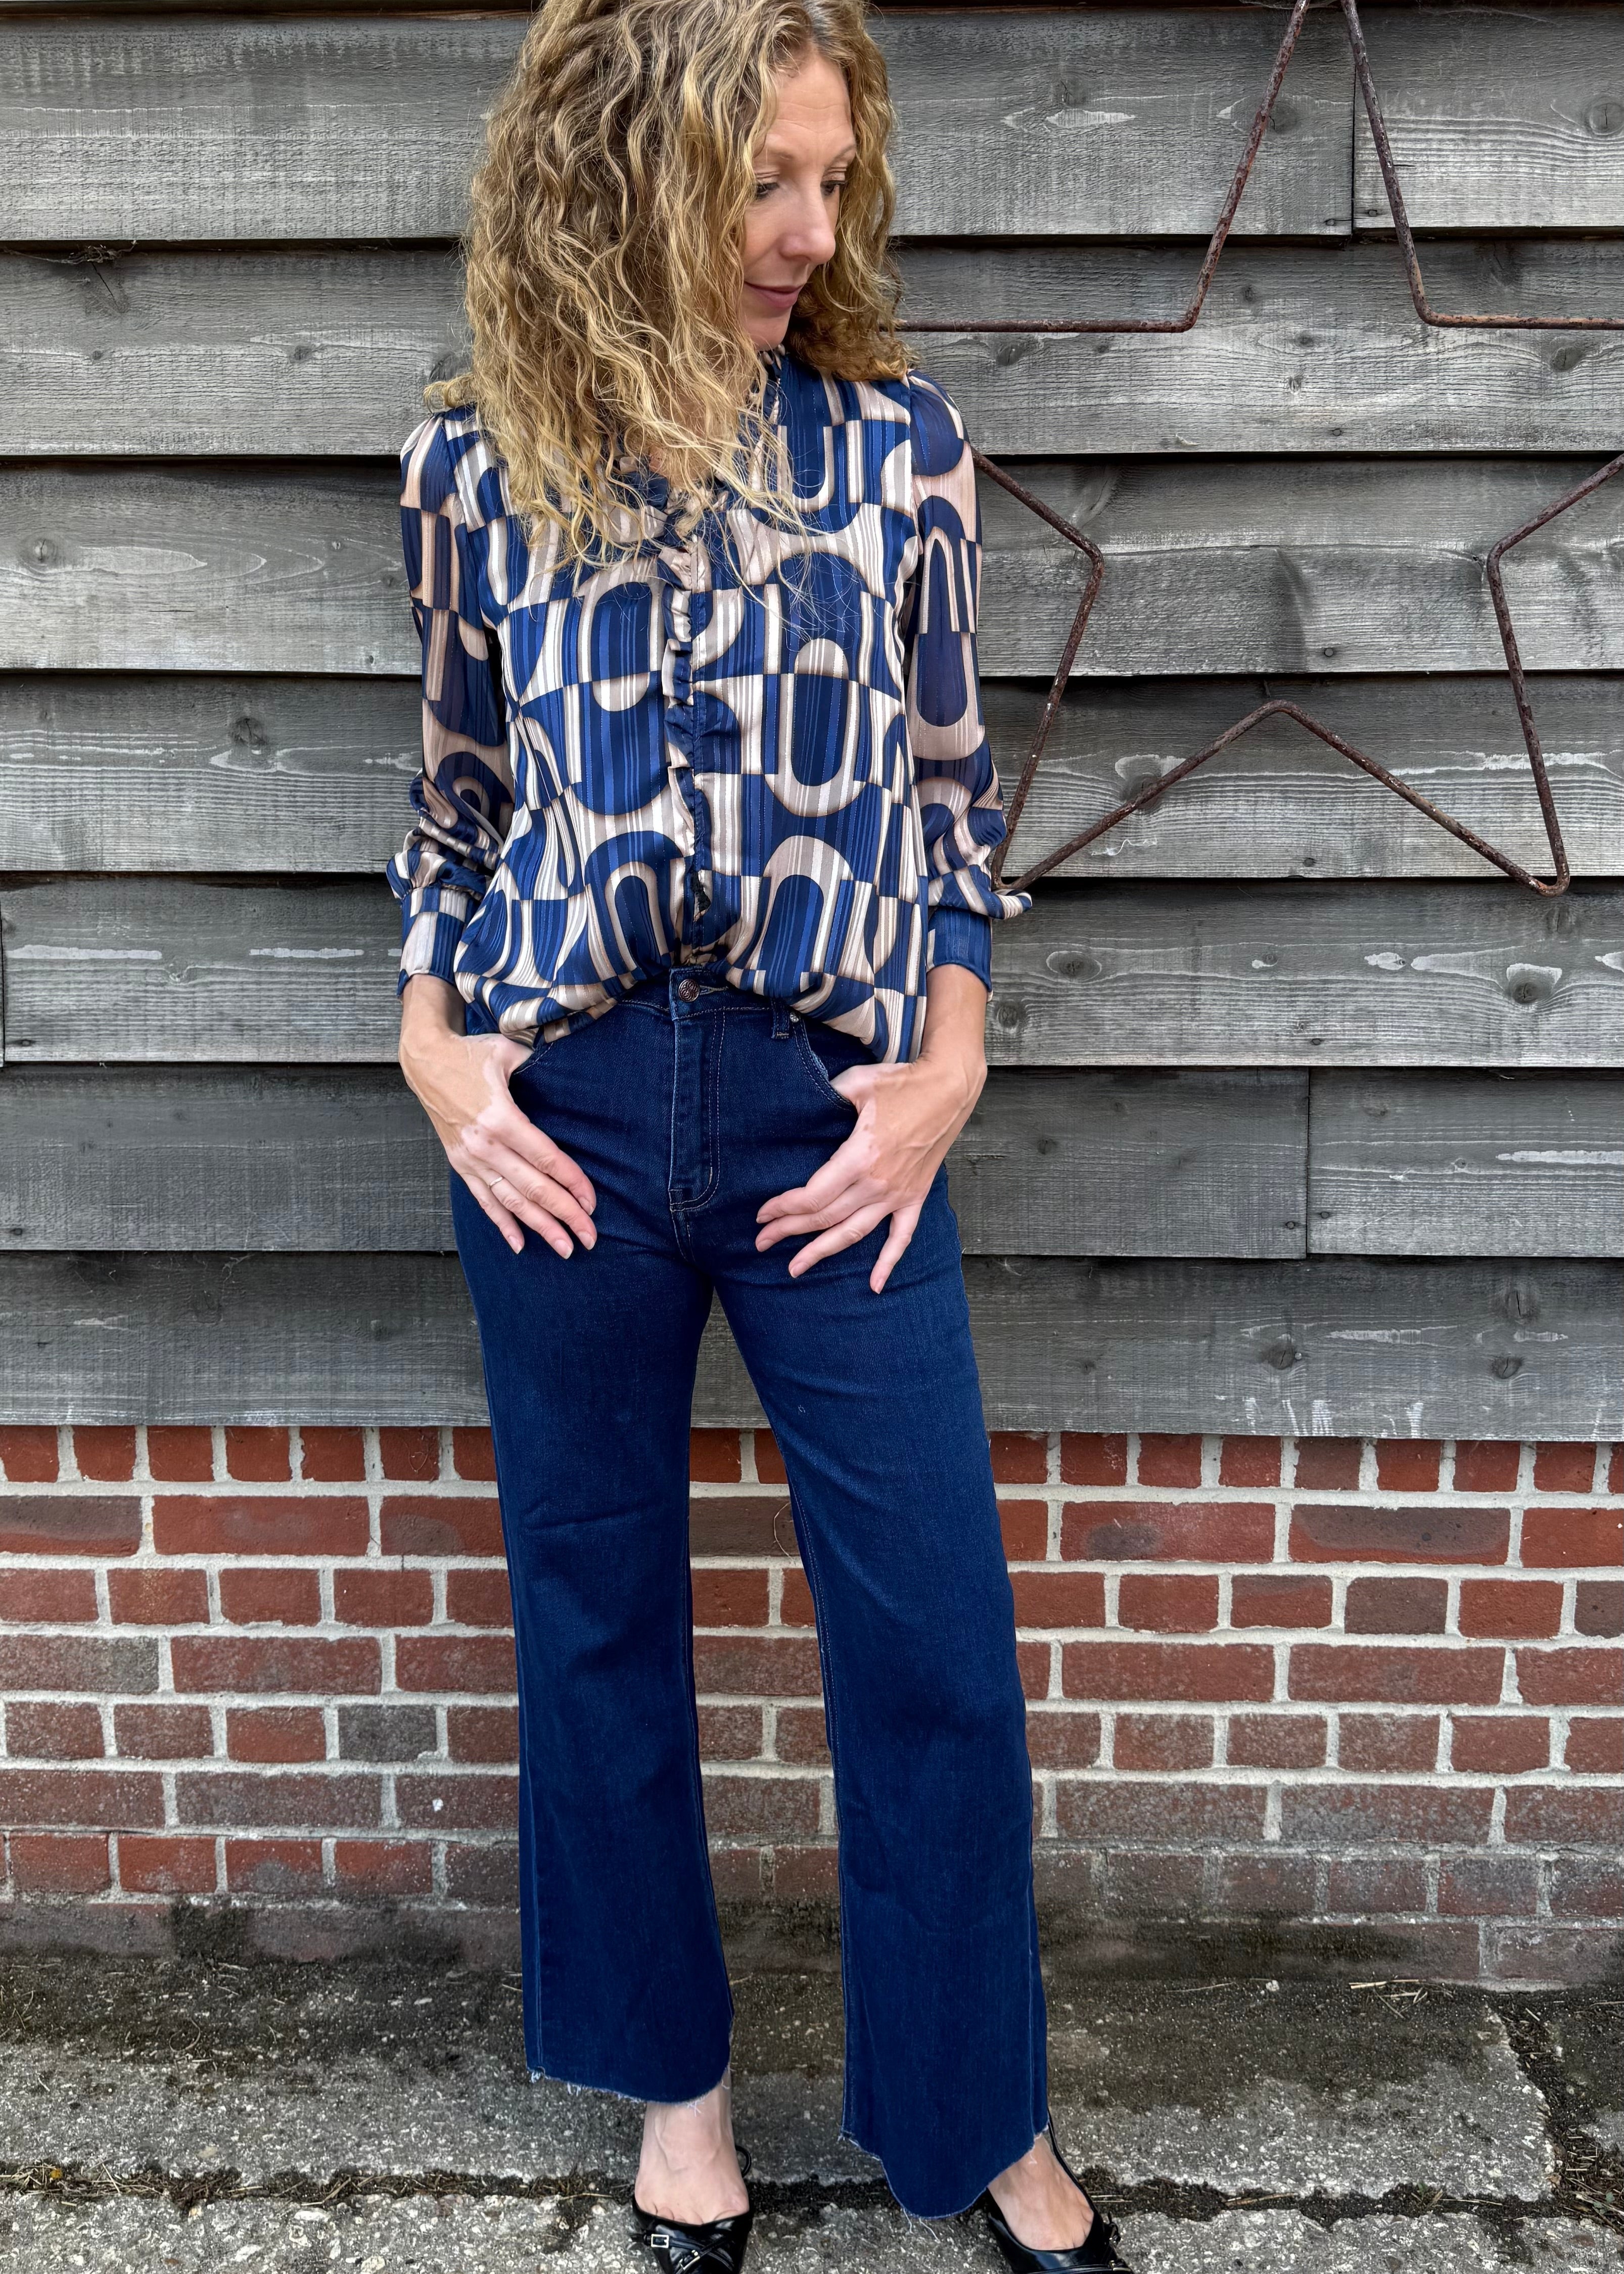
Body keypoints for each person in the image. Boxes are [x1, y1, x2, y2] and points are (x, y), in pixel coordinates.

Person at [388, 2, 1131, 2265]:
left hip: (837, 1112)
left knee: (935, 1646)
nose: (812, 231)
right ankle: (679, 2106)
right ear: (628, 171)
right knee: (594, 1615)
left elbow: (945, 797)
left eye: (834, 181)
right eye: (765, 183)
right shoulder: (475, 464)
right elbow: (454, 799)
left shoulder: (908, 449)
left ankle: (974, 2113)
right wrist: (434, 1047)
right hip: (566, 1115)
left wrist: (960, 1053)